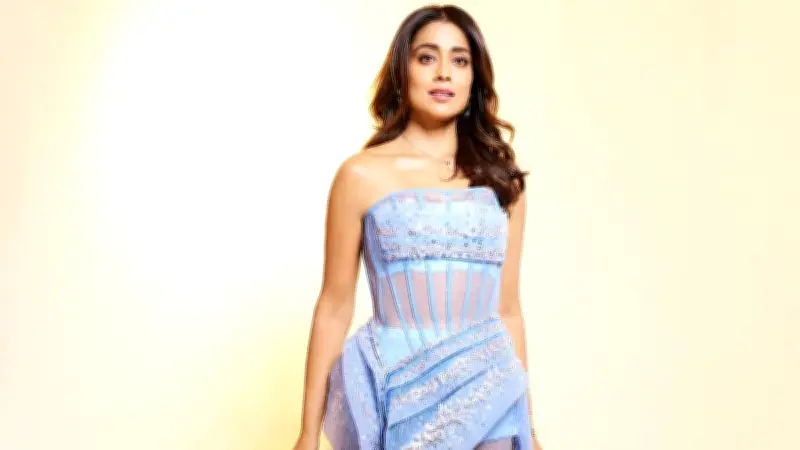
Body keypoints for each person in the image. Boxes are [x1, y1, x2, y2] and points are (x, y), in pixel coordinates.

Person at [293, 4, 542, 449]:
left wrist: (531, 430)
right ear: (402, 70)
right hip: (401, 393)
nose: (444, 72)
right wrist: (307, 435)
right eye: (427, 57)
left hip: (491, 397)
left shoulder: (503, 182)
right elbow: (334, 306)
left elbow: (508, 311)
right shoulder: (360, 175)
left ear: (474, 78)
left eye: (460, 60)